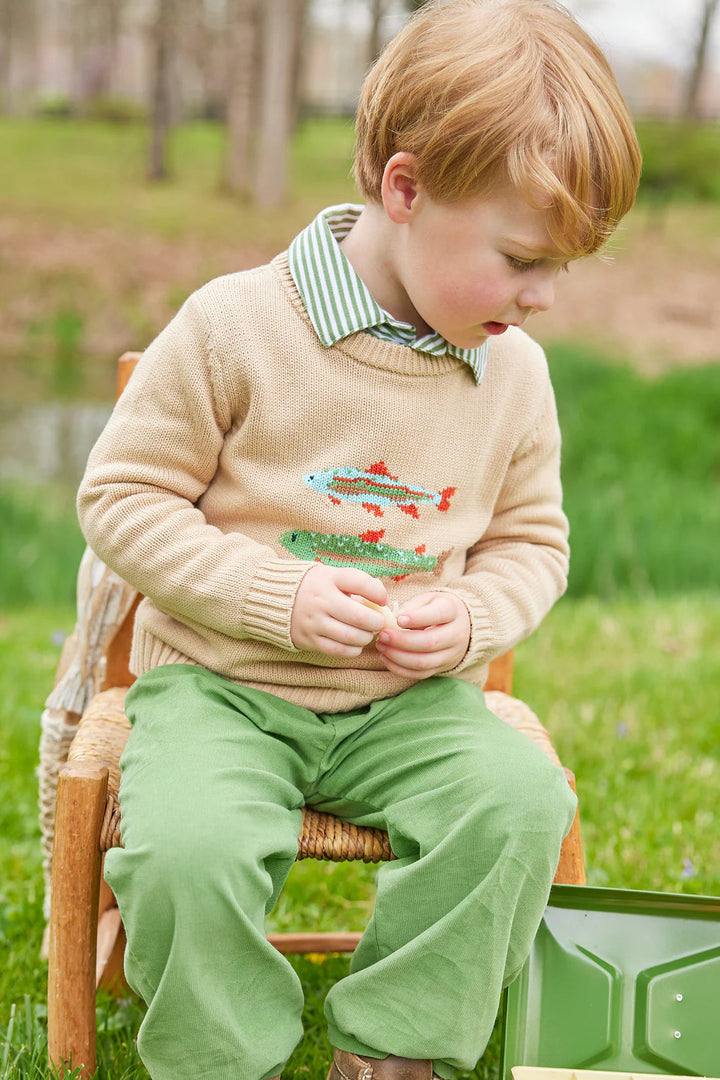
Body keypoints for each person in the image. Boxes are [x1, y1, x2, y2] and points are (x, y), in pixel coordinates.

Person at [77, 2, 641, 1079]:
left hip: (408, 707)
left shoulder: (513, 370)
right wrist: (268, 594)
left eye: (565, 266)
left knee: (521, 799)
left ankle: (393, 1046)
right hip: (221, 689)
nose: (546, 296)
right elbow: (123, 500)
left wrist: (472, 615)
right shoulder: (235, 327)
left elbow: (534, 543)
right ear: (405, 186)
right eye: (524, 257)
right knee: (187, 853)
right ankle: (223, 1053)